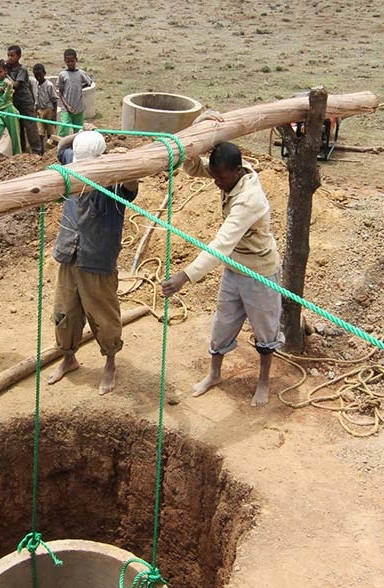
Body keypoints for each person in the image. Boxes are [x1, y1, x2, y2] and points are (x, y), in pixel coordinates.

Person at [161, 140, 283, 407]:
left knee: (265, 330)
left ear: (238, 171)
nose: (216, 183)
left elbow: (221, 245)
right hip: (234, 268)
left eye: (221, 178)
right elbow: (194, 168)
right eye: (215, 176)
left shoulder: (249, 200)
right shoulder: (229, 173)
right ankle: (214, 374)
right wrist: (196, 144)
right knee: (223, 323)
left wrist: (185, 276)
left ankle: (263, 382)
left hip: (259, 271)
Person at [47, 131, 139, 394]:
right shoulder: (72, 163)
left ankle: (110, 363)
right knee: (65, 311)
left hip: (97, 258)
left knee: (104, 315)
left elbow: (131, 186)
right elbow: (62, 148)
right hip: (69, 253)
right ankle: (69, 358)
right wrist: (78, 133)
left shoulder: (113, 179)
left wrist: (126, 162)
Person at [6, 45, 43, 155]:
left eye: (12, 55)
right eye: (8, 55)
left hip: (25, 102)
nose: (10, 58)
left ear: (19, 56)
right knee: (19, 128)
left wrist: (6, 75)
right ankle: (22, 151)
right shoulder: (7, 68)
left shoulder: (22, 69)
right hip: (14, 102)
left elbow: (16, 85)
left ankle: (37, 152)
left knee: (31, 127)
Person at [56, 48, 92, 137]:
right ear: (65, 61)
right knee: (64, 127)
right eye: (68, 61)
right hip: (66, 108)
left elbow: (89, 82)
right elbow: (60, 92)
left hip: (78, 107)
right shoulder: (62, 75)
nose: (70, 63)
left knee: (79, 131)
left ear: (76, 60)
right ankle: (59, 147)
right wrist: (67, 106)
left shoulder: (81, 73)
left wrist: (80, 87)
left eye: (72, 61)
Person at [33, 63, 58, 148]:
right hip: (40, 110)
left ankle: (51, 150)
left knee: (50, 132)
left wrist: (54, 115)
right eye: (36, 75)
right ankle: (41, 150)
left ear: (44, 73)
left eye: (40, 75)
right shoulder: (35, 84)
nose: (38, 77)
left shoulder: (49, 85)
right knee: (40, 132)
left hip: (49, 110)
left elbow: (54, 100)